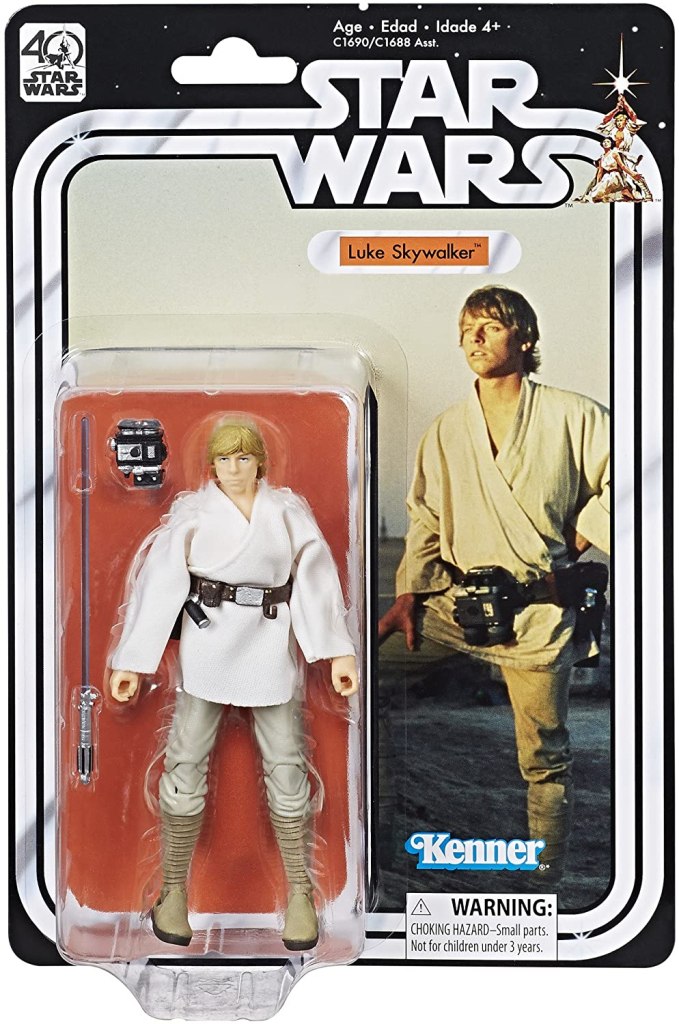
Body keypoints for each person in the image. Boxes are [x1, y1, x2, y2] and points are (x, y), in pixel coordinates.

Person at [379, 286, 610, 886]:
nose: (475, 338)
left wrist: (582, 534)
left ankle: (544, 881)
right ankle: (372, 842)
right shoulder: (446, 429)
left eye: (491, 326)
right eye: (466, 329)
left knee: (545, 755)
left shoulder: (574, 416)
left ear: (525, 338)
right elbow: (426, 517)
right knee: (358, 673)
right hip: (454, 605)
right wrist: (408, 595)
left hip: (537, 610)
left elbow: (632, 478)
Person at [108, 419, 358, 951]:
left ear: (260, 462)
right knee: (184, 763)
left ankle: (300, 893)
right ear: (213, 466)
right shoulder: (194, 515)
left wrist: (336, 650)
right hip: (209, 644)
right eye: (225, 460)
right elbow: (160, 586)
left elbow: (314, 580)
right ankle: (173, 891)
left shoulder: (285, 513)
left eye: (244, 458)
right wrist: (133, 660)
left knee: (288, 767)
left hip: (269, 645)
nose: (234, 468)